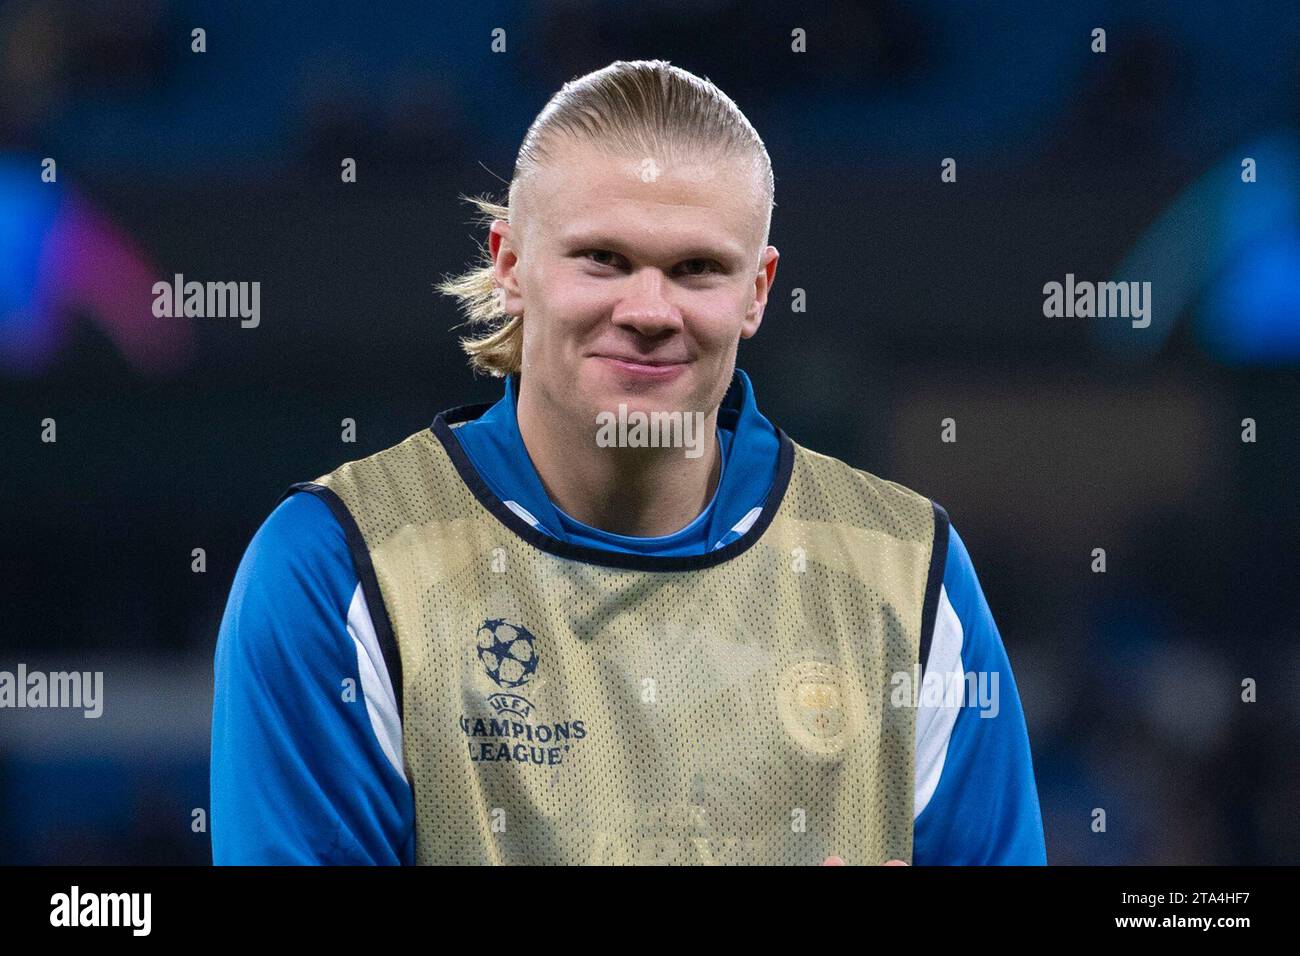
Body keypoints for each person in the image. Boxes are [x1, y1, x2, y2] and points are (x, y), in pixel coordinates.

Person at [210, 59, 1046, 865]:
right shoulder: (337, 568)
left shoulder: (908, 571)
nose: (648, 310)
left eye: (697, 269)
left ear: (758, 291)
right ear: (510, 265)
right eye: (603, 258)